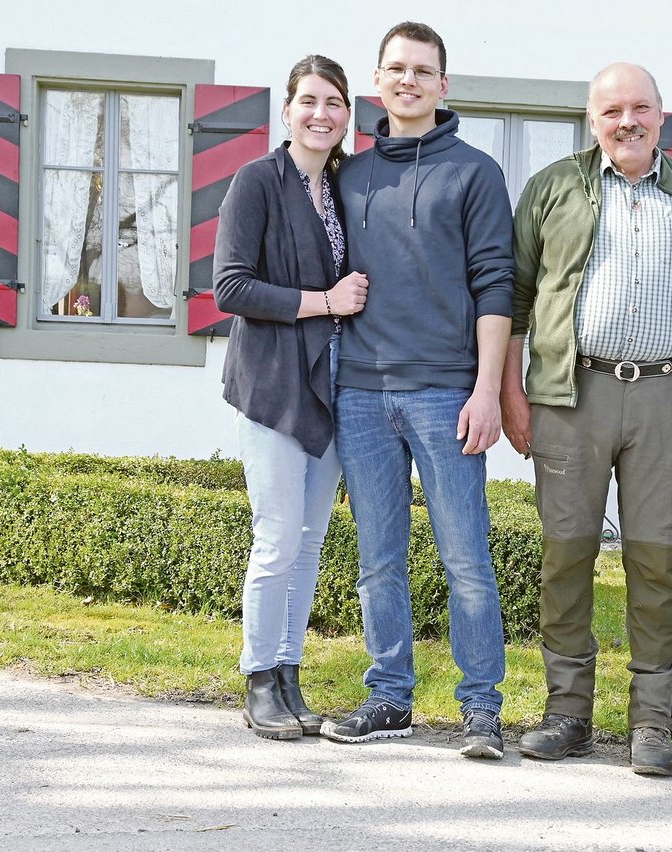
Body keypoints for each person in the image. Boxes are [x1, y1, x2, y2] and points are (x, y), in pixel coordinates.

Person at [503, 63, 672, 777]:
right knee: (566, 552)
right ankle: (568, 713)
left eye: (641, 108)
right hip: (571, 394)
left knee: (656, 558)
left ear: (662, 116)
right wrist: (515, 394)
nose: (627, 121)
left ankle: (652, 725)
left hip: (671, 396)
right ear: (591, 119)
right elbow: (517, 297)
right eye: (613, 110)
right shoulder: (551, 189)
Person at [320, 22, 514, 759]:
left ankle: (480, 708)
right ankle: (390, 697)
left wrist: (486, 390)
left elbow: (497, 286)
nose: (409, 80)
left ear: (443, 85)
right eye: (396, 68)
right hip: (362, 394)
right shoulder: (349, 177)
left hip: (444, 393)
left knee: (467, 556)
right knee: (378, 560)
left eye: (422, 70)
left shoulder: (475, 173)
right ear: (378, 82)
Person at [214, 55, 368, 741]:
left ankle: (289, 672)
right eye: (309, 100)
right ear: (287, 111)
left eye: (334, 102)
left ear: (346, 116)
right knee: (276, 538)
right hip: (275, 383)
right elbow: (231, 287)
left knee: (309, 543)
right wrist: (322, 302)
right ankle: (257, 677)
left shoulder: (342, 188)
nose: (322, 113)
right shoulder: (257, 182)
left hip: (333, 382)